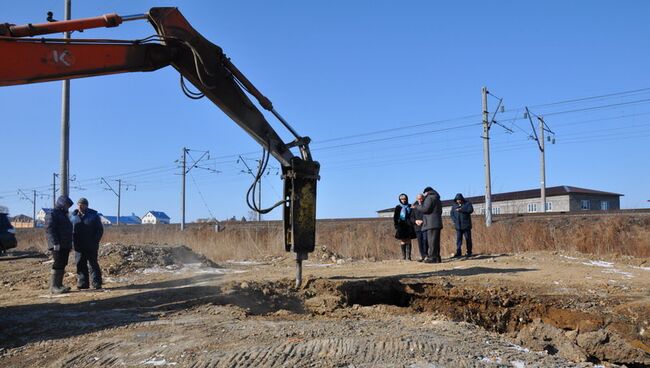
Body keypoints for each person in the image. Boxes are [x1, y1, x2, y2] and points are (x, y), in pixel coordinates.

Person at [71, 197, 104, 289]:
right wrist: (72, 243)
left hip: (91, 245)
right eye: (79, 205)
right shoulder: (73, 216)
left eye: (82, 205)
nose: (80, 206)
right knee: (80, 264)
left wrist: (95, 241)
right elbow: (70, 230)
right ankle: (83, 283)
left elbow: (99, 230)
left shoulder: (93, 215)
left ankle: (96, 282)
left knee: (93, 264)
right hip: (78, 246)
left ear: (86, 206)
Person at [46, 195, 74, 294]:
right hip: (57, 244)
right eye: (66, 205)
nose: (68, 207)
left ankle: (59, 285)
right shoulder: (53, 213)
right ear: (61, 203)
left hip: (65, 244)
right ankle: (53, 286)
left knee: (62, 263)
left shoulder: (63, 214)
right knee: (58, 263)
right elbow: (50, 229)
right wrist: (55, 243)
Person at [412, 187, 443, 263]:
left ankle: (432, 258)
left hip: (431, 223)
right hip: (437, 222)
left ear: (427, 192)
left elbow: (425, 209)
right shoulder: (437, 198)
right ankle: (437, 257)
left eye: (424, 193)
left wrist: (416, 207)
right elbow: (440, 211)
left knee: (431, 241)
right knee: (436, 241)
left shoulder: (429, 198)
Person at [393, 193, 416, 260]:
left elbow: (413, 215)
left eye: (404, 199)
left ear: (406, 199)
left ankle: (408, 257)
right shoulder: (398, 207)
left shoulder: (410, 206)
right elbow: (395, 217)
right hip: (401, 225)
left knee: (408, 240)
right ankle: (403, 256)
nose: (403, 200)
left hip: (409, 225)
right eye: (401, 199)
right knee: (403, 240)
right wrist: (396, 225)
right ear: (400, 200)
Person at [450, 193, 474, 258]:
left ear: (462, 199)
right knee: (458, 240)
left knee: (468, 239)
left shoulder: (467, 204)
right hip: (458, 226)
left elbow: (471, 210)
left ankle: (469, 252)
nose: (458, 201)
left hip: (466, 225)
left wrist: (462, 210)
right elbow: (451, 214)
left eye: (459, 199)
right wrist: (454, 220)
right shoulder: (454, 205)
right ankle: (458, 252)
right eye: (457, 200)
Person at [412, 193, 428, 261]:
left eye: (421, 198)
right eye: (418, 199)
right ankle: (422, 256)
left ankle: (426, 254)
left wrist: (423, 221)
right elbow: (411, 217)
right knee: (420, 242)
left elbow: (427, 215)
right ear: (416, 199)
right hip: (417, 227)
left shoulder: (426, 205)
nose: (420, 200)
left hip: (425, 226)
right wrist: (415, 221)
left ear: (423, 198)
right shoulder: (414, 206)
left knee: (425, 241)